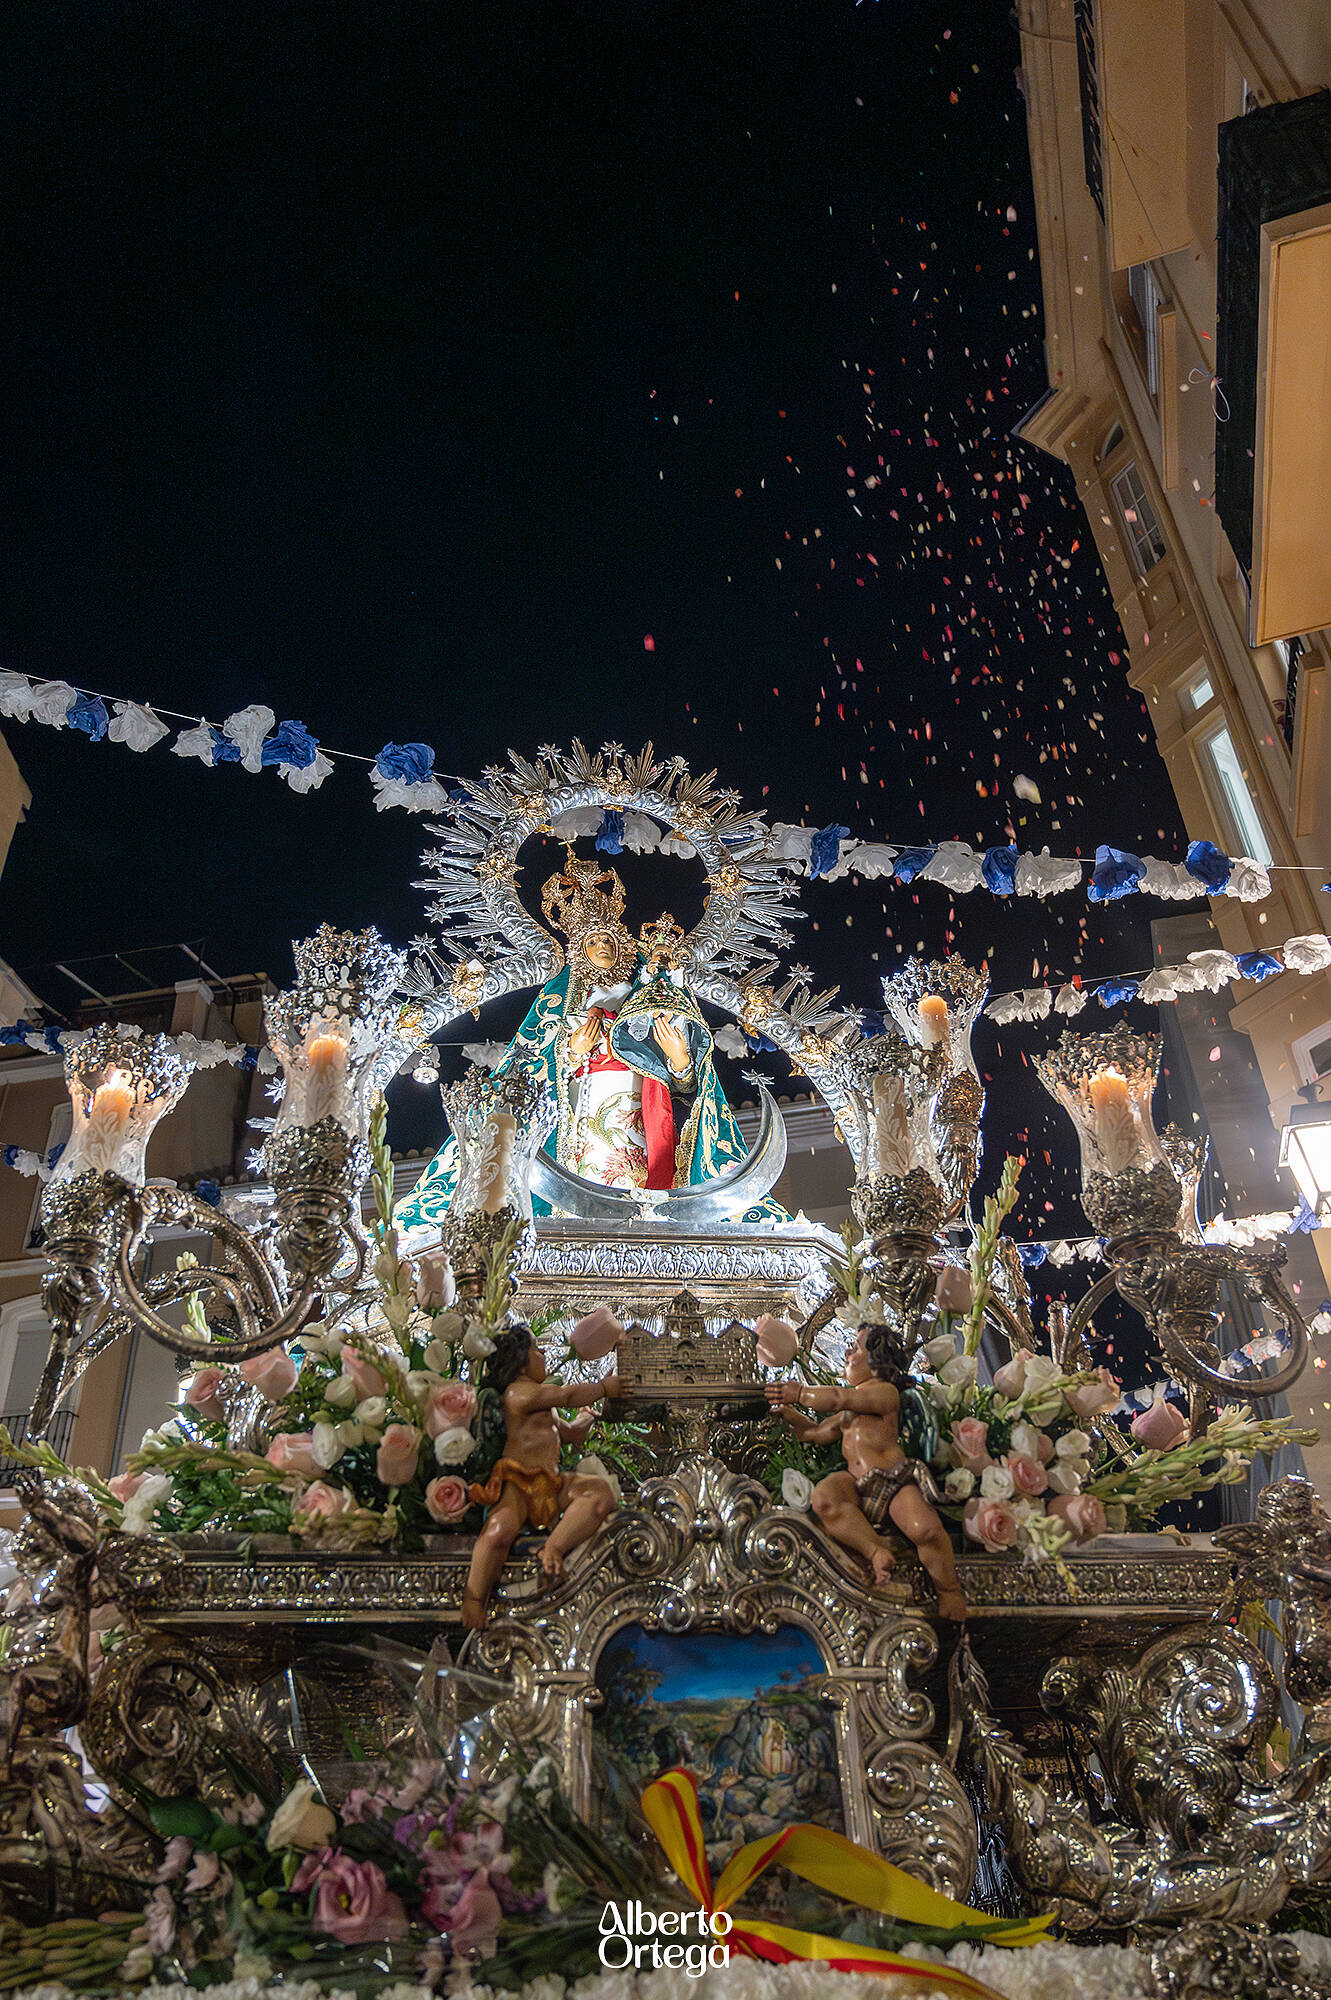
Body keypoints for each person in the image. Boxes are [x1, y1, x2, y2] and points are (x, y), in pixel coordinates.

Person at [395, 855, 782, 1237]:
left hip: (645, 1112)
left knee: (645, 1190)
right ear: (579, 949)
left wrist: (680, 1060)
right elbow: (532, 1069)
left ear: (623, 946)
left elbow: (688, 1088)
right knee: (587, 1193)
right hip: (583, 1114)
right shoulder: (559, 1000)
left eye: (607, 939)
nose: (601, 946)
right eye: (592, 940)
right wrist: (572, 1053)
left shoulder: (652, 995)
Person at [766, 1326, 967, 1623]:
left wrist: (801, 1393)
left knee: (924, 1530)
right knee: (824, 1499)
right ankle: (875, 1551)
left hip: (892, 1480)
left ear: (878, 1360)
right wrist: (790, 1415)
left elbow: (836, 1398)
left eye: (856, 1347)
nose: (847, 1352)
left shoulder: (884, 1392)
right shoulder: (850, 1409)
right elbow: (815, 1432)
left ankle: (948, 1589)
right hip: (857, 1485)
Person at [462, 1324, 622, 1629]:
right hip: (518, 1483)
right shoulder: (518, 1393)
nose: (543, 1353)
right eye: (537, 1349)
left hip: (551, 1482)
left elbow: (570, 1434)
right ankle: (472, 1598)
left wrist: (587, 1417)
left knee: (600, 1494)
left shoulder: (539, 1399)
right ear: (521, 1359)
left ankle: (552, 1549)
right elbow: (567, 1394)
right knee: (499, 1530)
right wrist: (602, 1388)